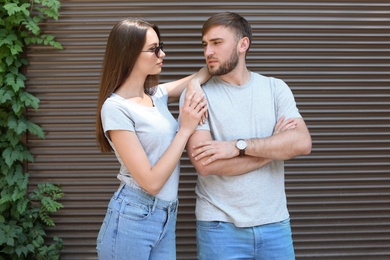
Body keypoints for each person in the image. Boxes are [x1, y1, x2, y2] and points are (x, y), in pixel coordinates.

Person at [180, 12, 312, 259]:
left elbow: (302, 143)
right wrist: (273, 149)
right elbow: (205, 164)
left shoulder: (275, 88)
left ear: (243, 44)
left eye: (217, 43)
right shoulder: (198, 96)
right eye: (205, 44)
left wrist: (237, 147)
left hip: (275, 223)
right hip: (218, 227)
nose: (208, 51)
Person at [95, 18, 209, 259]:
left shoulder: (155, 95)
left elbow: (200, 75)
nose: (162, 54)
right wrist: (185, 129)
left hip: (166, 215)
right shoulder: (115, 108)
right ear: (129, 53)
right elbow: (151, 182)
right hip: (133, 217)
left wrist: (202, 79)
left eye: (161, 46)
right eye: (154, 49)